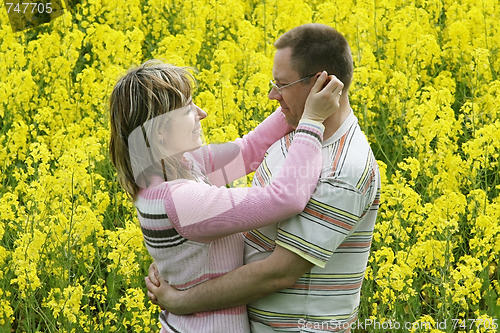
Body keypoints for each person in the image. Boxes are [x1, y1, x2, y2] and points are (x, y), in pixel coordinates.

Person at [146, 24, 381, 332]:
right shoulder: (297, 132)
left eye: (281, 84)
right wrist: (177, 261)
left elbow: (277, 273)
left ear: (320, 86)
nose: (272, 95)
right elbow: (228, 167)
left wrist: (180, 299)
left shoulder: (341, 171)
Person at [108, 59, 344, 333]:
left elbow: (249, 150)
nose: (202, 112)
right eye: (187, 109)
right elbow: (285, 199)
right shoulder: (181, 201)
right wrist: (312, 122)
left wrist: (298, 102)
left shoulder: (171, 171)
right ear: (161, 132)